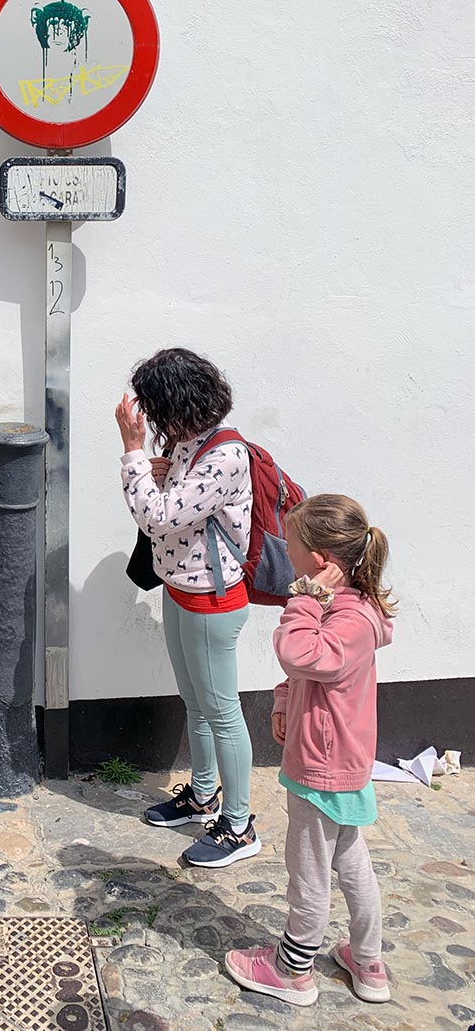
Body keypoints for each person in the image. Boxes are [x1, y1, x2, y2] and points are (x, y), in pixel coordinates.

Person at [225, 494, 395, 1007]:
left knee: (308, 868)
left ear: (320, 562)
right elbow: (312, 672)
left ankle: (292, 971)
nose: (284, 549)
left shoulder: (345, 617)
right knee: (350, 861)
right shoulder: (351, 609)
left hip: (321, 764)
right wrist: (282, 698)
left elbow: (300, 650)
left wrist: (301, 598)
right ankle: (368, 963)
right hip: (341, 758)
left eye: (291, 543)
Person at [115, 347, 259, 868]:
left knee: (223, 712)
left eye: (155, 409)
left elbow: (157, 520)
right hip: (181, 591)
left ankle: (240, 826)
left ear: (178, 403)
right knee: (197, 705)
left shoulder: (224, 455)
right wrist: (156, 469)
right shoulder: (187, 445)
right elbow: (173, 507)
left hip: (211, 601)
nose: (150, 421)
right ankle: (202, 796)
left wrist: (132, 454)